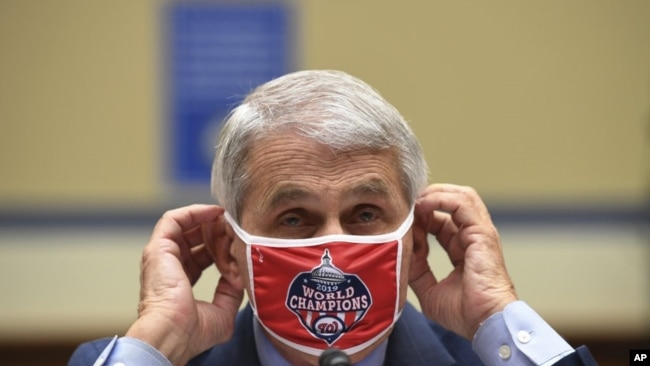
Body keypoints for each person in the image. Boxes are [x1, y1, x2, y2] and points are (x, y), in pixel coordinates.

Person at [69, 70, 597, 365]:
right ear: (232, 253)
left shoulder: (491, 360)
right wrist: (162, 343)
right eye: (295, 218)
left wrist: (496, 317)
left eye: (365, 213)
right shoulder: (140, 361)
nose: (333, 247)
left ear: (415, 243)